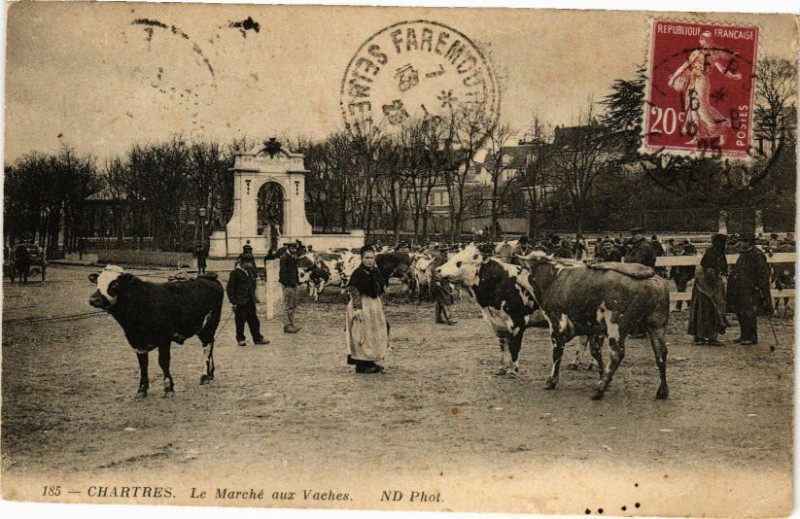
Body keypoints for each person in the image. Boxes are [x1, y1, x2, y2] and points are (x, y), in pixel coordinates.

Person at [668, 30, 743, 146]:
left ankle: (720, 130)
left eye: (702, 39)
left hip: (702, 81)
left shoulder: (712, 54)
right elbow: (685, 66)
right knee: (694, 109)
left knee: (701, 108)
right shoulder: (697, 53)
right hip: (693, 82)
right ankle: (697, 136)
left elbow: (722, 69)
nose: (700, 41)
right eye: (701, 39)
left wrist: (733, 76)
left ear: (706, 41)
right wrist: (673, 78)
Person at [345, 246, 389, 374]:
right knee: (362, 333)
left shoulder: (375, 272)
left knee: (374, 332)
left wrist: (381, 302)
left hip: (374, 305)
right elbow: (354, 290)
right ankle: (361, 363)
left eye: (372, 258)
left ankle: (371, 360)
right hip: (362, 305)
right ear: (362, 258)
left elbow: (379, 288)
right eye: (367, 258)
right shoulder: (358, 273)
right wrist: (357, 308)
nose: (369, 260)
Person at [726, 233, 773, 345]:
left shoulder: (757, 254)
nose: (739, 243)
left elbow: (764, 273)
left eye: (742, 241)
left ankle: (752, 337)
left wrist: (757, 286)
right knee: (740, 311)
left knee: (749, 312)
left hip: (751, 289)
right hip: (740, 288)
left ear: (748, 242)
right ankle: (744, 335)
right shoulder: (744, 254)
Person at [687, 234, 728, 345]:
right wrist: (715, 286)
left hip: (702, 284)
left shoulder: (711, 252)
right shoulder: (715, 254)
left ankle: (699, 336)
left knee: (700, 310)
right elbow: (710, 271)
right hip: (708, 285)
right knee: (713, 309)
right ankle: (711, 337)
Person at [226, 257, 269, 347]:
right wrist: (233, 302)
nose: (249, 264)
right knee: (240, 321)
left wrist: (254, 298)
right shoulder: (235, 273)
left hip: (249, 301)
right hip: (240, 301)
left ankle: (257, 338)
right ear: (241, 262)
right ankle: (240, 339)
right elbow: (230, 289)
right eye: (247, 262)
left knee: (254, 320)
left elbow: (251, 286)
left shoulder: (248, 272)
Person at [279, 241, 301, 333]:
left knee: (293, 305)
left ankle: (292, 324)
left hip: (293, 283)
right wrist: (287, 284)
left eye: (295, 248)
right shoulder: (284, 258)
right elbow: (282, 273)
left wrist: (296, 281)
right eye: (293, 248)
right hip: (288, 285)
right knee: (288, 305)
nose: (295, 250)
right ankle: (287, 326)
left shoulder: (292, 257)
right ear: (289, 248)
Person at [670, 240, 697, 312]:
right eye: (676, 247)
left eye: (679, 247)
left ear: (682, 247)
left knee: (680, 289)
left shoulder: (687, 255)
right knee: (682, 290)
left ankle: (678, 307)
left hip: (684, 275)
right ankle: (690, 303)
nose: (677, 249)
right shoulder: (676, 256)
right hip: (676, 275)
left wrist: (690, 276)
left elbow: (692, 267)